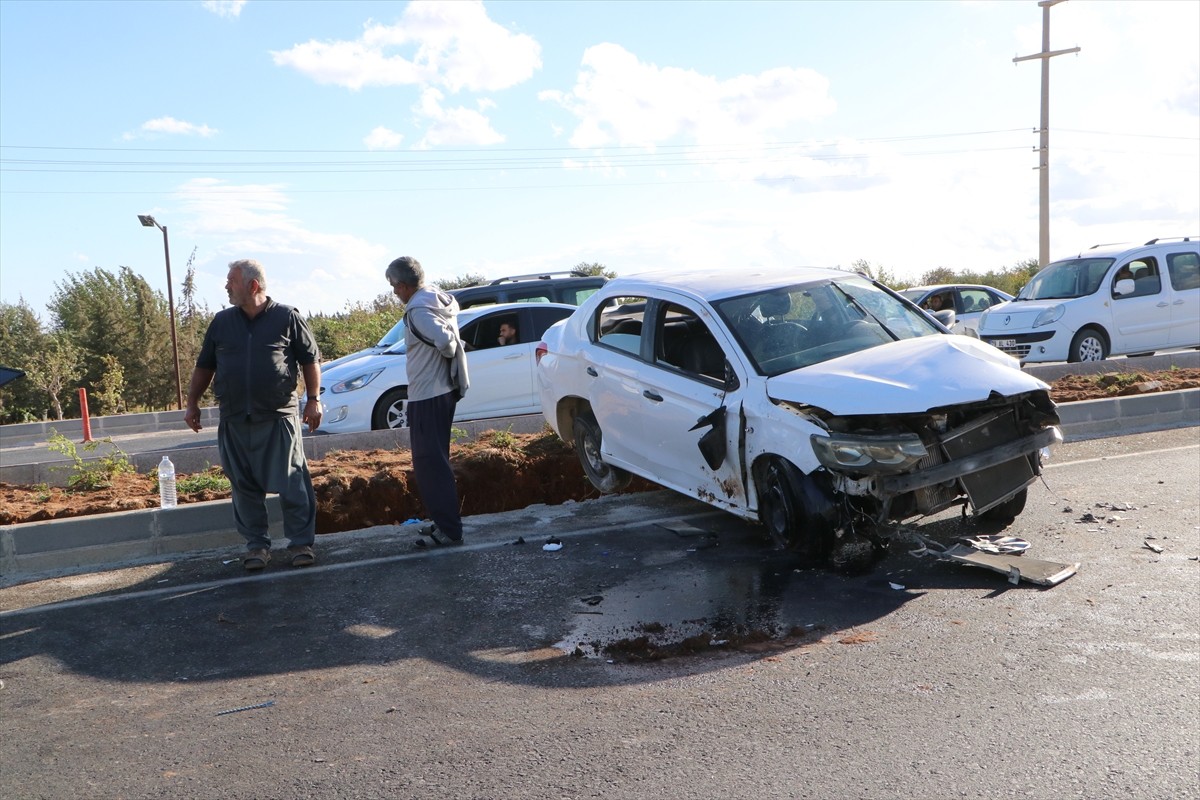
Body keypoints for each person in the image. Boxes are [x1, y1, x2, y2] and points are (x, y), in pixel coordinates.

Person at [183, 259, 323, 571]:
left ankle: (300, 543)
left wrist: (313, 399)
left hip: (277, 416)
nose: (226, 287)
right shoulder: (222, 322)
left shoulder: (287, 317)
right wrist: (192, 402)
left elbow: (309, 360)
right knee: (243, 485)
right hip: (234, 418)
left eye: (231, 281)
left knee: (292, 481)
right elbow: (205, 365)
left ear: (253, 286)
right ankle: (257, 547)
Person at [386, 256, 469, 546]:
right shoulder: (435, 299)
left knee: (429, 464)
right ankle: (444, 523)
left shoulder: (418, 309)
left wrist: (446, 353)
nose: (395, 293)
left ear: (405, 285)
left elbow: (444, 341)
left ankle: (448, 528)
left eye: (395, 287)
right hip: (442, 391)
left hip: (429, 394)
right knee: (435, 460)